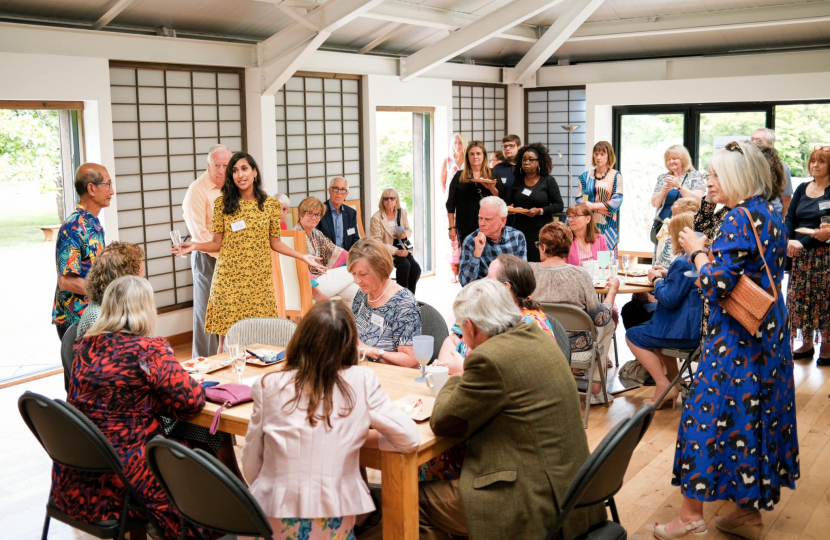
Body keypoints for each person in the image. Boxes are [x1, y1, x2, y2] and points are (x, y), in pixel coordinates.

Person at [654, 141, 798, 539]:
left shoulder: (737, 218)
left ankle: (689, 517)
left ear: (737, 177)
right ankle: (746, 513)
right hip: (766, 334)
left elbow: (716, 285)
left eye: (715, 175)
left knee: (703, 418)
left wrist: (698, 251)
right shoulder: (769, 213)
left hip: (735, 340)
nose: (708, 181)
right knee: (750, 419)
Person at [418, 280, 606, 540]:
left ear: (470, 328)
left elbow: (441, 420)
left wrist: (455, 375)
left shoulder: (489, 359)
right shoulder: (537, 335)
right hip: (573, 489)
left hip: (532, 502)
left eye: (461, 326)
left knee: (412, 498)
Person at [242, 301, 420, 540]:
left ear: (301, 338)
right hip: (329, 518)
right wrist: (355, 436)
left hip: (267, 516)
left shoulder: (268, 384)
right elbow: (409, 439)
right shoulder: (362, 380)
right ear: (350, 344)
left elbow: (252, 463)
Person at [52, 275, 208, 540]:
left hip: (78, 478)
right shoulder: (148, 350)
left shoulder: (83, 348)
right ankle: (214, 519)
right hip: (129, 476)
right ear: (146, 309)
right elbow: (191, 401)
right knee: (204, 441)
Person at [180, 153, 325, 353]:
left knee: (262, 341)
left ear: (254, 172)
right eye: (235, 171)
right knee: (226, 343)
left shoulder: (270, 206)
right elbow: (217, 244)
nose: (240, 174)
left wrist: (302, 256)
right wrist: (195, 245)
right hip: (229, 281)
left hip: (259, 282)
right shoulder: (223, 205)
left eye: (244, 169)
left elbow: (276, 243)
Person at [531, 222, 618, 404]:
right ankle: (595, 386)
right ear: (568, 247)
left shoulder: (529, 271)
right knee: (609, 324)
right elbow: (601, 319)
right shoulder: (580, 274)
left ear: (544, 247)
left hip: (537, 338)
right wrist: (612, 292)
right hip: (574, 344)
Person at [625, 212, 703, 408]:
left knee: (633, 335)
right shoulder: (700, 259)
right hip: (697, 329)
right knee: (655, 338)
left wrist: (656, 279)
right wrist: (668, 274)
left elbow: (669, 299)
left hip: (682, 333)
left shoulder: (682, 262)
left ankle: (662, 384)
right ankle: (674, 381)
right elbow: (687, 283)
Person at [435, 253, 557, 373]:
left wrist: (461, 368)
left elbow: (505, 373)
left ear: (505, 287)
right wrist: (443, 367)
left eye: (489, 277)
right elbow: (454, 338)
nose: (483, 280)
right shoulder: (496, 310)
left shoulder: (524, 325)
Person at [182, 144, 232, 358]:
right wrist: (223, 252)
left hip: (231, 257)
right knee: (206, 313)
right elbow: (199, 232)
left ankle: (229, 358)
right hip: (207, 256)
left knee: (230, 311)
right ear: (209, 165)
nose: (221, 170)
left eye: (226, 165)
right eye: (217, 165)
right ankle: (203, 363)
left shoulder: (232, 186)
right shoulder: (197, 189)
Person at [52, 163, 112, 340]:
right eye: (108, 184)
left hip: (94, 314)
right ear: (91, 188)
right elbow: (66, 281)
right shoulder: (73, 227)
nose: (112, 191)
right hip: (75, 319)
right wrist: (108, 294)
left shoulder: (92, 223)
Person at [785, 145, 830, 365]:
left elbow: (826, 229)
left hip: (823, 255)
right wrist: (787, 240)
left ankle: (827, 345)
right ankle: (807, 342)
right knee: (800, 300)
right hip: (799, 255)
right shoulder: (802, 188)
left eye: (820, 162)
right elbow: (790, 218)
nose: (815, 165)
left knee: (823, 300)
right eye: (812, 161)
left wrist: (802, 243)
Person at [348, 239, 421, 368]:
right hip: (362, 371)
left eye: (363, 274)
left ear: (380, 270)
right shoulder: (362, 293)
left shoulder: (403, 303)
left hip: (391, 377)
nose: (356, 280)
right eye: (353, 274)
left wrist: (370, 351)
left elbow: (412, 360)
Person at [293, 197, 359, 306]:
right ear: (300, 214)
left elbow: (336, 252)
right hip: (311, 285)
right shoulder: (295, 235)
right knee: (356, 269)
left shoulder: (316, 233)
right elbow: (300, 269)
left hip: (324, 280)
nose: (314, 217)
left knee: (358, 293)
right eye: (310, 213)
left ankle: (349, 323)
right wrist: (317, 294)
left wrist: (355, 259)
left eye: (318, 214)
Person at [509, 143, 564, 262]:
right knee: (521, 264)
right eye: (524, 159)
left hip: (541, 231)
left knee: (539, 263)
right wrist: (510, 209)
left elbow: (559, 205)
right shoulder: (518, 181)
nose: (526, 162)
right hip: (520, 230)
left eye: (531, 159)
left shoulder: (548, 181)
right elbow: (511, 202)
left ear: (539, 162)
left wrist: (540, 211)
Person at [76, 241, 144, 337]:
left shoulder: (116, 306)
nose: (143, 276)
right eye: (140, 272)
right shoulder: (99, 318)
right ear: (123, 279)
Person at [446, 141, 503, 253]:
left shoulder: (493, 174)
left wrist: (492, 188)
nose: (475, 157)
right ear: (467, 156)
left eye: (478, 153)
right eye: (472, 154)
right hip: (465, 223)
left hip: (489, 224)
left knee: (489, 256)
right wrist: (452, 227)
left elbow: (502, 199)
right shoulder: (459, 176)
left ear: (484, 156)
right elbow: (450, 204)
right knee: (468, 256)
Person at [458, 196, 527, 286]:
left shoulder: (517, 237)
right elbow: (465, 283)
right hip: (484, 294)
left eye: (488, 219)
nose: (482, 223)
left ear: (503, 221)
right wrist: (477, 253)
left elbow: (522, 276)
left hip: (510, 292)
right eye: (480, 218)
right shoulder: (471, 241)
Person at [650, 145, 705, 246]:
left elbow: (699, 201)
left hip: (686, 227)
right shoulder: (662, 178)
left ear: (683, 158)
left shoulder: (695, 176)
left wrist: (679, 186)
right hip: (663, 227)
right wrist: (663, 192)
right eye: (668, 159)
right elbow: (655, 204)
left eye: (674, 158)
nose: (671, 162)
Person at [370, 187, 421, 294]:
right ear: (382, 201)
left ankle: (410, 297)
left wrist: (404, 234)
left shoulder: (401, 213)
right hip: (385, 250)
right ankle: (401, 297)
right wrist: (396, 251)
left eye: (392, 198)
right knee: (404, 265)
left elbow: (408, 230)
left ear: (396, 200)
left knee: (416, 269)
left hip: (401, 245)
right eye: (386, 199)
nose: (389, 201)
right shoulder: (376, 218)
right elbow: (377, 243)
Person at [577, 141, 624, 254]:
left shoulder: (616, 176)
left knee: (607, 256)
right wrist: (599, 208)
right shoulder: (585, 176)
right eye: (596, 154)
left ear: (609, 156)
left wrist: (593, 206)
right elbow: (580, 200)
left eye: (602, 154)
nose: (598, 157)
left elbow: (616, 202)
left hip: (608, 224)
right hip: (587, 222)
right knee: (587, 255)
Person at [752, 128, 794, 217]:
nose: (754, 143)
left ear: (770, 144)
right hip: (750, 213)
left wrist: (781, 221)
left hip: (773, 214)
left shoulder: (781, 168)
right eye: (752, 140)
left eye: (758, 141)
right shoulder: (746, 165)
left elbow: (786, 199)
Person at [653, 197, 701, 269]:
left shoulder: (700, 242)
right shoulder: (670, 240)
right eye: (674, 216)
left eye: (679, 218)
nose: (673, 222)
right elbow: (660, 265)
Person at [317, 177, 361, 250]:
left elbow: (355, 239)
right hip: (326, 257)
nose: (339, 192)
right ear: (330, 191)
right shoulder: (319, 211)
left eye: (343, 189)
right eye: (336, 188)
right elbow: (315, 239)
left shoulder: (351, 213)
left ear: (346, 194)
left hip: (346, 257)